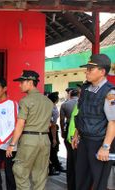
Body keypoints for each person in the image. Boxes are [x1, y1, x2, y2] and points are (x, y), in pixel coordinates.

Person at [72, 54, 115, 190]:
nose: (87, 71)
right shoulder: (85, 89)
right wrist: (76, 134)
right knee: (81, 179)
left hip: (100, 142)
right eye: (87, 69)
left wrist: (106, 147)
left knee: (98, 183)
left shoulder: (110, 92)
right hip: (85, 141)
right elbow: (82, 114)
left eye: (91, 69)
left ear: (102, 72)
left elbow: (113, 122)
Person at [6, 70, 53, 190]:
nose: (19, 85)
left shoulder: (25, 101)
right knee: (41, 173)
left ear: (30, 82)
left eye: (22, 82)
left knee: (20, 170)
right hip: (45, 139)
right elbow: (50, 124)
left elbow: (20, 124)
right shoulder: (48, 101)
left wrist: (12, 144)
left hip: (29, 140)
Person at [60, 88, 79, 190]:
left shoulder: (65, 105)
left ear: (70, 94)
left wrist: (63, 133)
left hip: (70, 134)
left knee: (70, 160)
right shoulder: (81, 103)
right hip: (77, 136)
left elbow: (62, 120)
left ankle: (71, 184)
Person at [47, 92, 62, 175]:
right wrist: (54, 139)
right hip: (50, 132)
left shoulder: (45, 107)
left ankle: (54, 166)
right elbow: (53, 125)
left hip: (43, 132)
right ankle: (51, 168)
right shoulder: (54, 109)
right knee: (52, 150)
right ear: (56, 100)